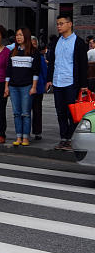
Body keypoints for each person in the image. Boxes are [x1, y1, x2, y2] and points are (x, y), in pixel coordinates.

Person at [45, 14, 89, 151]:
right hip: (58, 82)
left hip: (72, 83)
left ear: (70, 24)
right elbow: (52, 62)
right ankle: (64, 138)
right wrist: (49, 79)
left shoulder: (79, 42)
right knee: (60, 112)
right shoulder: (56, 42)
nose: (59, 26)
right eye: (58, 24)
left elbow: (83, 65)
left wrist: (83, 85)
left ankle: (71, 138)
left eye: (61, 23)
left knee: (73, 113)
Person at [5, 28, 41, 146]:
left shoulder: (34, 52)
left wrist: (34, 87)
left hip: (27, 86)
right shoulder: (13, 52)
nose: (18, 37)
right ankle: (18, 136)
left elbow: (36, 71)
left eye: (20, 35)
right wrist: (6, 87)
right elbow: (8, 72)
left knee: (25, 113)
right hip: (13, 86)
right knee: (16, 113)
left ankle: (25, 137)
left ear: (26, 36)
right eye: (17, 35)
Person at [31, 37, 48, 141]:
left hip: (38, 87)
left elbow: (44, 72)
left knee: (37, 110)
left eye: (34, 44)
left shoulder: (40, 57)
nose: (32, 46)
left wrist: (46, 83)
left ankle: (37, 132)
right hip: (26, 86)